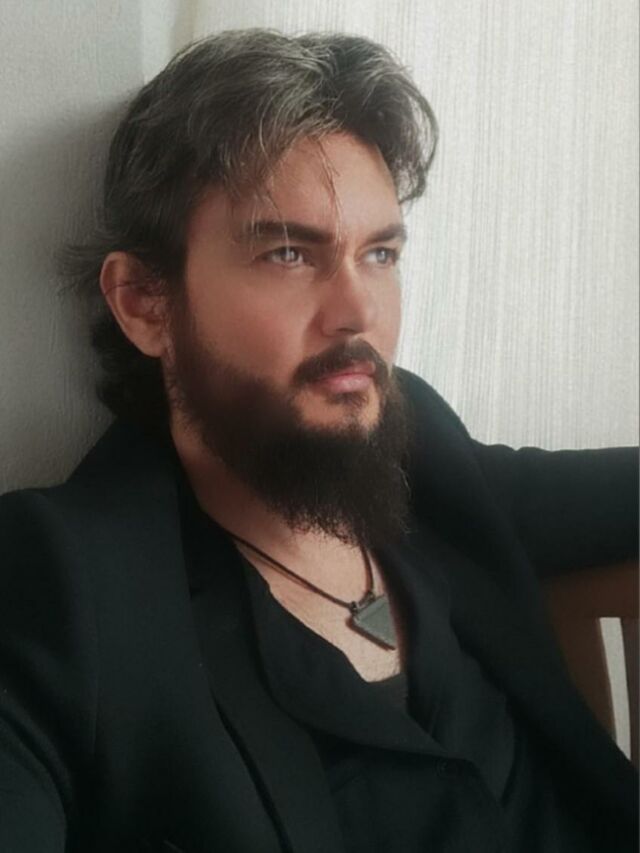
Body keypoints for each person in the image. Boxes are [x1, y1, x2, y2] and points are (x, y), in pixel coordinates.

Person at [0, 29, 637, 853]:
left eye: (380, 253)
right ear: (145, 302)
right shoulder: (62, 582)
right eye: (289, 252)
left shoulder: (416, 445)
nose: (359, 311)